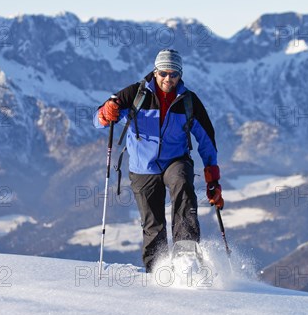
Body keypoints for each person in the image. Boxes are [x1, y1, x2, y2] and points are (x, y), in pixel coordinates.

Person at [93, 49, 224, 272]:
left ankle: (186, 257)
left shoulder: (188, 101)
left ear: (180, 75)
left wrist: (212, 177)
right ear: (155, 72)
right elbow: (98, 120)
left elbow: (206, 138)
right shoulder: (135, 94)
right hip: (143, 167)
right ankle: (156, 271)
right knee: (152, 222)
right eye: (163, 73)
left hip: (176, 160)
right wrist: (106, 113)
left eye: (174, 74)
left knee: (182, 184)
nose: (168, 79)